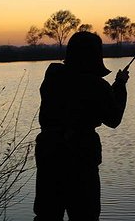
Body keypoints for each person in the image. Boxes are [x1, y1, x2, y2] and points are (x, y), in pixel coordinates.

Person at [33, 31, 129, 221]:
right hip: (81, 157)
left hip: (49, 155)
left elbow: (77, 93)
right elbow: (113, 118)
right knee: (85, 215)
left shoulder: (52, 78)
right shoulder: (97, 86)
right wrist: (120, 86)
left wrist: (110, 89)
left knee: (47, 215)